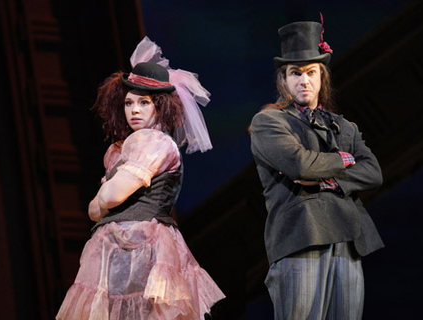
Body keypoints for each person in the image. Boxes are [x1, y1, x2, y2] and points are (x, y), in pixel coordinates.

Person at [56, 37, 225, 320]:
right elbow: (92, 210)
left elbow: (107, 199)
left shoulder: (155, 143)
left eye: (143, 103)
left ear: (159, 106)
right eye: (129, 103)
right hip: (114, 248)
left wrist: (104, 199)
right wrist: (102, 202)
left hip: (145, 246)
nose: (134, 110)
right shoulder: (119, 150)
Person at [250, 16, 384, 319]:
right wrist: (345, 160)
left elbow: (373, 171)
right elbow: (301, 165)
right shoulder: (269, 122)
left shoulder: (344, 126)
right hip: (301, 236)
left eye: (311, 72)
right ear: (283, 79)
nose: (304, 80)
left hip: (347, 239)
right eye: (295, 73)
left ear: (322, 77)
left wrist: (326, 181)